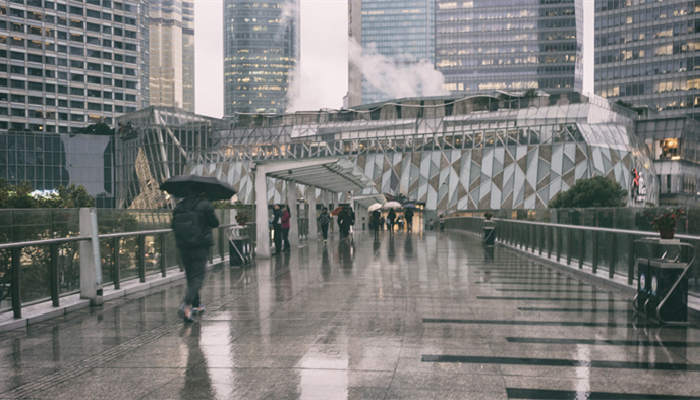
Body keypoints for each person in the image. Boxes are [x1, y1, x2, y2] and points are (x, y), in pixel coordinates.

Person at [173, 188, 219, 323]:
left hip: (183, 247)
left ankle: (194, 306)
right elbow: (215, 223)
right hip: (200, 246)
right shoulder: (205, 205)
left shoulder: (179, 207)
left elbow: (173, 226)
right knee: (198, 277)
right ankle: (186, 304)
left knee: (190, 277)